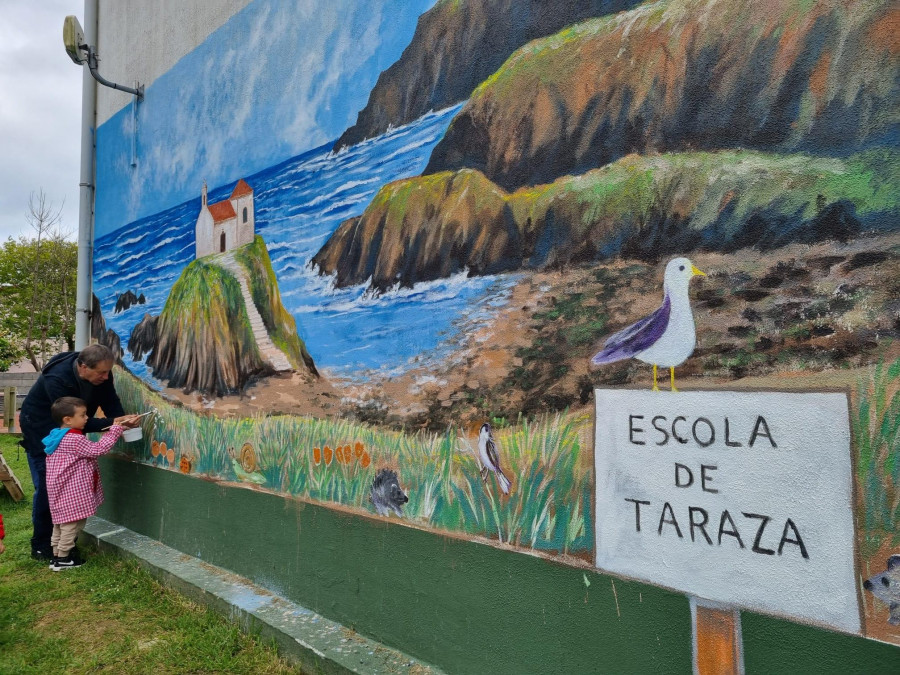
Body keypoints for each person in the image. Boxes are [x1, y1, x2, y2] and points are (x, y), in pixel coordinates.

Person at [19, 344, 138, 561]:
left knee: (66, 488)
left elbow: (110, 401)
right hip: (40, 427)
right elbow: (76, 422)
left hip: (71, 429)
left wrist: (122, 420)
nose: (105, 376)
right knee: (49, 488)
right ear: (83, 367)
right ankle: (41, 545)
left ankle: (60, 546)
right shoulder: (56, 380)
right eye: (101, 372)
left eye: (108, 371)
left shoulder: (102, 375)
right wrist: (114, 425)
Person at [43, 396, 130, 570]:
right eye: (82, 415)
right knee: (72, 524)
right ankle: (64, 559)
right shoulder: (74, 440)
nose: (87, 418)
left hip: (60, 489)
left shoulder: (57, 436)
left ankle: (56, 555)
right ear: (68, 419)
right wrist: (114, 431)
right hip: (71, 490)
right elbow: (98, 449)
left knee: (61, 522)